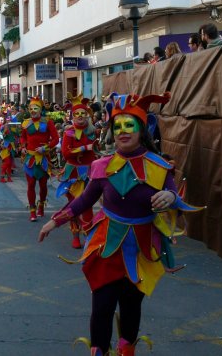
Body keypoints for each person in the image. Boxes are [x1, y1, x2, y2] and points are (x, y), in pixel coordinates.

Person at [38, 92, 204, 356]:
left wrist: (170, 196)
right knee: (101, 306)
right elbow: (83, 201)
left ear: (141, 130)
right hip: (107, 246)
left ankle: (127, 350)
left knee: (131, 305)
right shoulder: (102, 166)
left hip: (141, 249)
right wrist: (55, 222)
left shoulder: (160, 166)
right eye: (118, 127)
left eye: (130, 126)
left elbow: (176, 199)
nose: (123, 132)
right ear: (112, 132)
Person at [57, 95, 98, 249]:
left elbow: (98, 150)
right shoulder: (68, 133)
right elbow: (66, 153)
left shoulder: (94, 132)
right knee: (73, 205)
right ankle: (75, 234)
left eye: (83, 114)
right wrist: (83, 148)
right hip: (72, 173)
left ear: (87, 115)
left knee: (87, 205)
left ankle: (89, 235)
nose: (80, 117)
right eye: (77, 114)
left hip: (89, 172)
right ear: (72, 116)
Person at [20, 96, 60, 221]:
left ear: (40, 109)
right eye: (31, 108)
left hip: (43, 158)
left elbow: (56, 139)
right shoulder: (26, 123)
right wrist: (23, 146)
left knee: (43, 185)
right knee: (30, 184)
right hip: (30, 158)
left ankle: (41, 205)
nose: (33, 110)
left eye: (35, 108)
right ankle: (32, 211)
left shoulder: (48, 122)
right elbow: (22, 138)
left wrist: (46, 148)